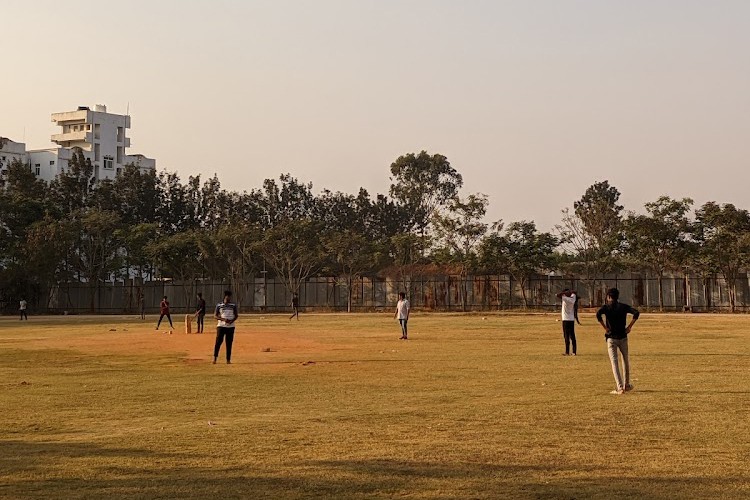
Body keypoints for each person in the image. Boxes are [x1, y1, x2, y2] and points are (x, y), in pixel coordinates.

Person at [596, 288, 640, 395]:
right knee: (625, 360)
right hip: (623, 336)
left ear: (609, 297)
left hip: (611, 337)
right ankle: (627, 384)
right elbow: (636, 313)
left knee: (614, 362)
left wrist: (605, 327)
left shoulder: (607, 307)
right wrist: (629, 326)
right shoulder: (623, 307)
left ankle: (620, 387)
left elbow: (598, 314)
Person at [214, 290, 239, 364]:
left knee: (229, 343)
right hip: (221, 326)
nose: (228, 298)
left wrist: (232, 321)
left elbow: (236, 315)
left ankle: (228, 359)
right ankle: (215, 358)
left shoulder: (233, 305)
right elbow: (215, 316)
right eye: (227, 297)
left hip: (231, 327)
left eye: (229, 297)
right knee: (218, 342)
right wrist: (223, 319)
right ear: (225, 297)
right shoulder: (219, 305)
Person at [556, 288, 580, 355]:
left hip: (565, 319)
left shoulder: (565, 298)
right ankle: (574, 352)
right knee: (572, 336)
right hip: (571, 319)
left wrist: (563, 293)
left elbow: (557, 295)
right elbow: (574, 293)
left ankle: (567, 352)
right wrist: (570, 292)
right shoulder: (573, 298)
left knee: (566, 336)